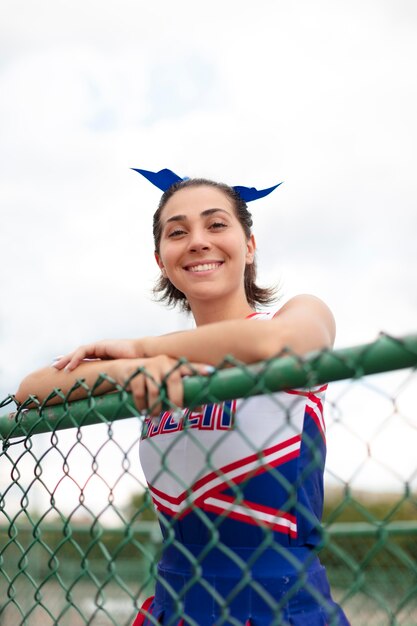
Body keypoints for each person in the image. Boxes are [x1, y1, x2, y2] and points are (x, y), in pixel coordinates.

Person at [16, 169, 350, 626]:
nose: (197, 241)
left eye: (216, 225)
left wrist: (144, 350)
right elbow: (31, 389)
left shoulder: (295, 315)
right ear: (161, 259)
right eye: (177, 232)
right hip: (173, 609)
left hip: (278, 609)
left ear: (249, 245)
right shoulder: (156, 359)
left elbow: (285, 344)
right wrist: (136, 368)